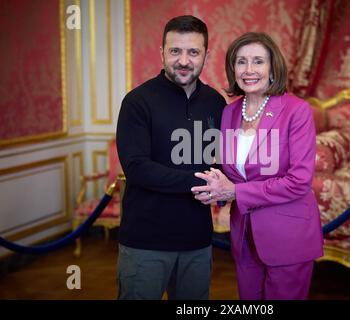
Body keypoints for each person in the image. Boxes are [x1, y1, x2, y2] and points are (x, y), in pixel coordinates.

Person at [191, 32, 323, 300]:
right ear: (233, 68)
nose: (249, 70)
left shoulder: (296, 111)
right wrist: (216, 188)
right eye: (241, 62)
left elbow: (298, 181)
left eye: (258, 61)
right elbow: (234, 172)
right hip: (243, 235)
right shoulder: (230, 111)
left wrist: (235, 193)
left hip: (288, 237)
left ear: (273, 68)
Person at [116, 15, 226, 300]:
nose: (184, 60)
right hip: (146, 241)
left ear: (206, 55)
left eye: (193, 52)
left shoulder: (215, 102)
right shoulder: (137, 102)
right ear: (162, 52)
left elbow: (221, 161)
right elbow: (138, 168)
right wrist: (202, 182)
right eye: (175, 50)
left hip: (198, 241)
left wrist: (226, 186)